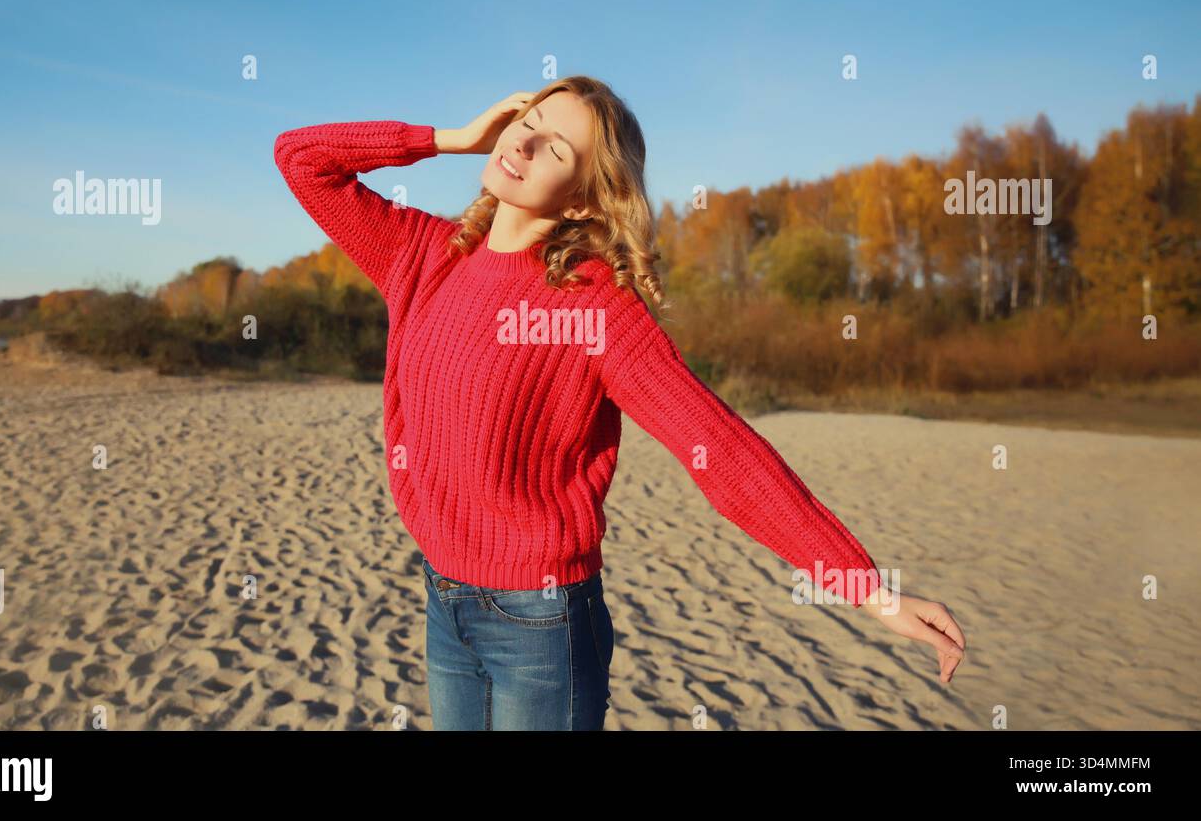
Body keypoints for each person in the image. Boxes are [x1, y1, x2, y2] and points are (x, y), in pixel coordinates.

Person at [273, 75, 965, 730]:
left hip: (541, 626)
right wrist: (451, 136)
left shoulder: (595, 308)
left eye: (556, 147)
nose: (522, 143)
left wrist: (869, 589)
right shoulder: (422, 254)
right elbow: (300, 158)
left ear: (580, 200)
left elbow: (720, 450)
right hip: (445, 599)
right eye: (527, 122)